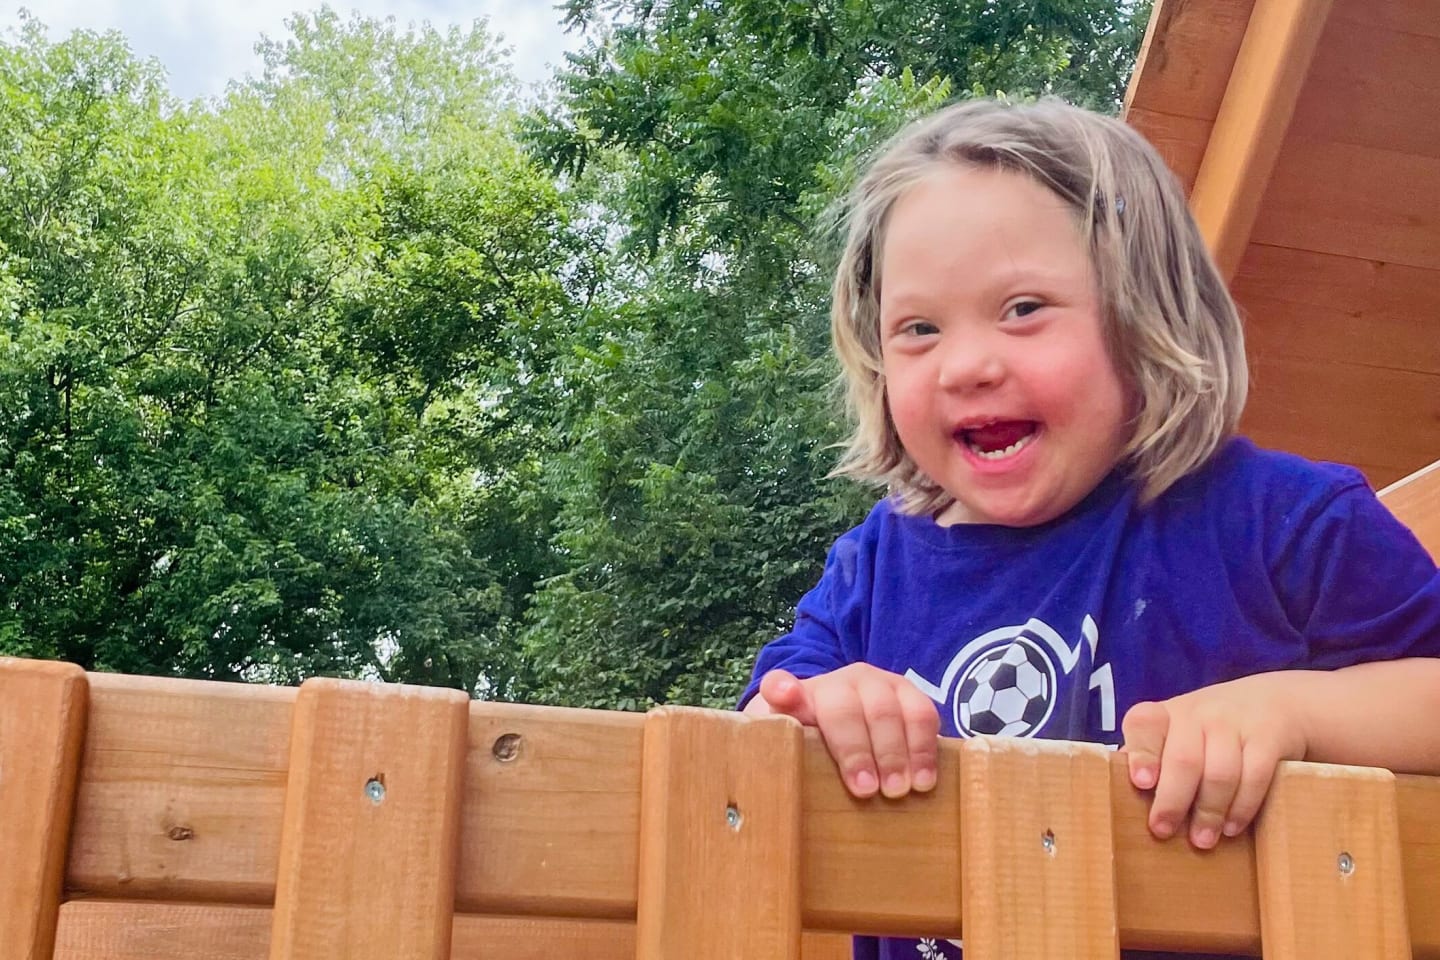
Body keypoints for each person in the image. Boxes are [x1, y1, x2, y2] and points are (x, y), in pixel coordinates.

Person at [740, 98, 1440, 960]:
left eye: (1024, 308)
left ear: (1144, 314)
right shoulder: (872, 569)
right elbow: (760, 743)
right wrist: (820, 711)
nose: (966, 365)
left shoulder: (1283, 523)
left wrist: (1295, 711)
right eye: (918, 330)